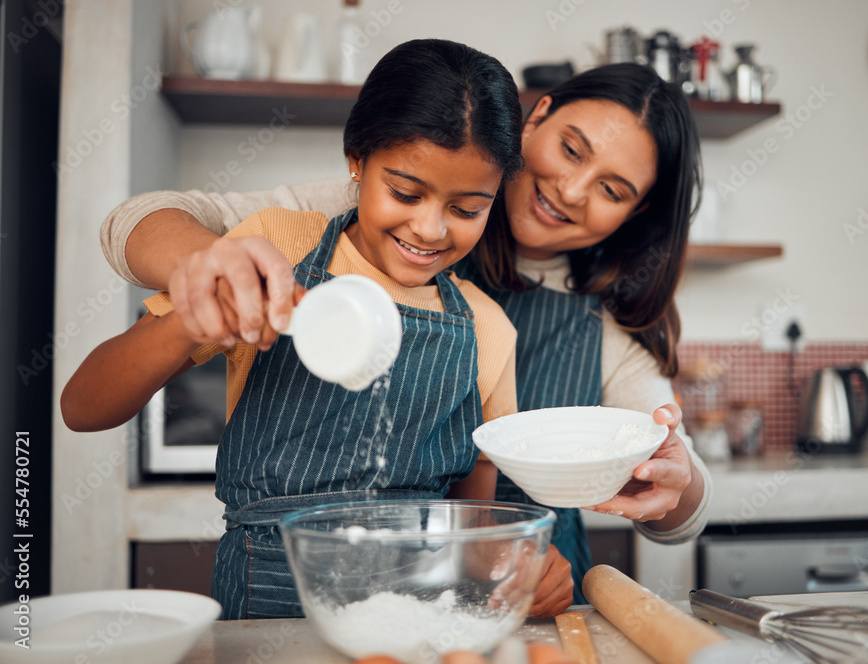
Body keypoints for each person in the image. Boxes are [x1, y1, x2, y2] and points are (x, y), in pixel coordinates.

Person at [99, 62, 713, 604]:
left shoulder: (585, 321)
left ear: (635, 213)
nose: (572, 191)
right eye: (572, 150)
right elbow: (137, 222)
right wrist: (214, 274)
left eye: (612, 190)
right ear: (537, 119)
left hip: (510, 597)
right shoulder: (359, 216)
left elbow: (679, 499)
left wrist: (673, 480)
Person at [63, 38, 579, 620]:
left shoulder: (487, 328)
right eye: (405, 193)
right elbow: (83, 408)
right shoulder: (276, 250)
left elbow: (472, 531)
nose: (431, 228)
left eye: (467, 209)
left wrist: (514, 571)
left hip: (413, 627)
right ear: (356, 159)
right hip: (265, 610)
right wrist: (193, 314)